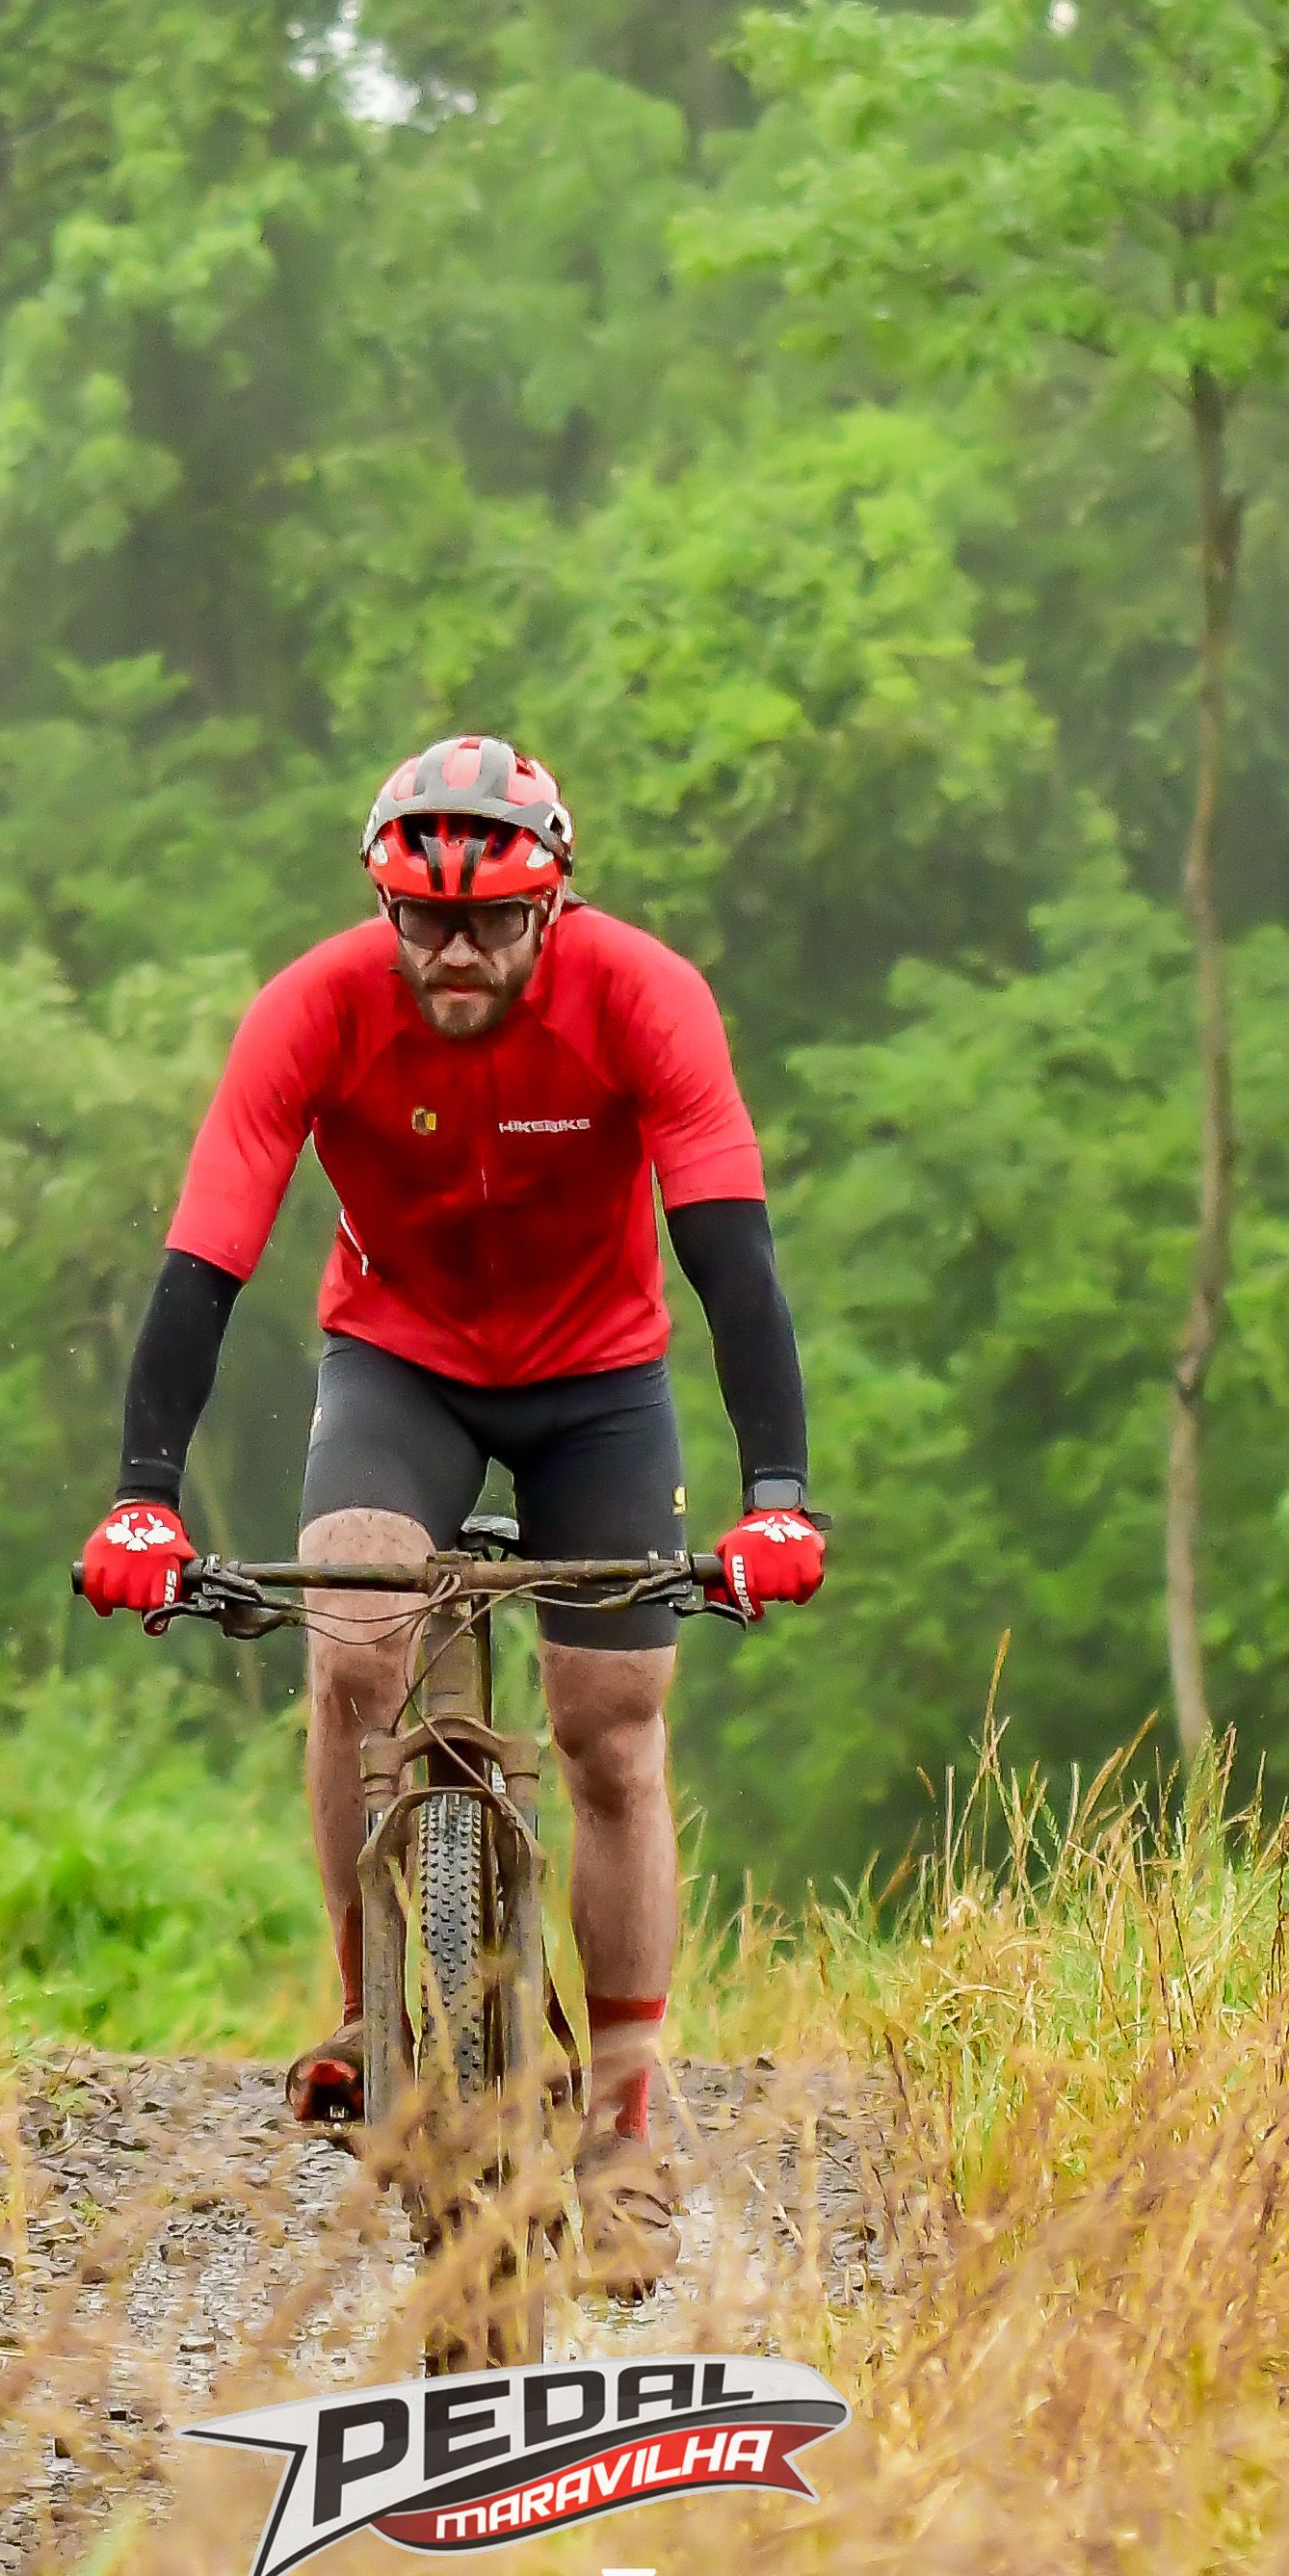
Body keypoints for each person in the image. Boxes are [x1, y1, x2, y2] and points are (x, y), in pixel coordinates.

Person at [73, 738, 829, 2286]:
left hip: (599, 1380)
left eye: (489, 923)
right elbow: (206, 1257)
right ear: (387, 909)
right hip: (400, 1363)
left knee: (611, 1724)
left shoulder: (645, 997)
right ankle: (369, 2011)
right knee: (353, 1642)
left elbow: (732, 1254)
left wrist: (776, 1500)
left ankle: (626, 2121)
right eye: (426, 922)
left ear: (553, 907)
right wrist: (143, 1502)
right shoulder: (313, 1008)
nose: (457, 952)